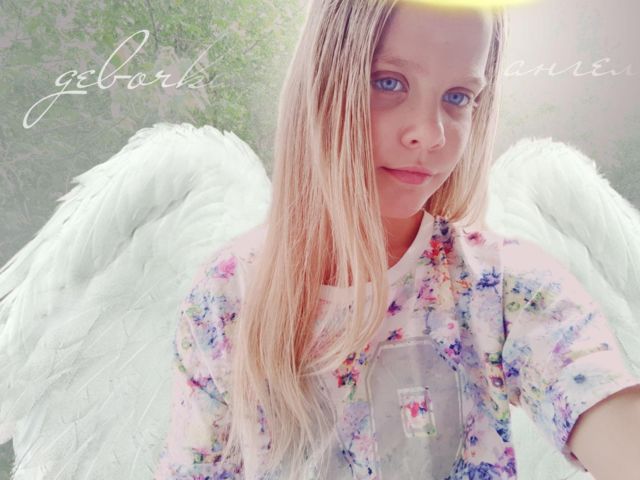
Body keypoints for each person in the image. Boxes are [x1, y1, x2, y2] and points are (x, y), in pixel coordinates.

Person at [154, 1, 640, 479]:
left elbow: (599, 400)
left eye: (458, 97)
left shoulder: (503, 288)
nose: (429, 134)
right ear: (323, 84)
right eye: (389, 83)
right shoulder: (229, 293)